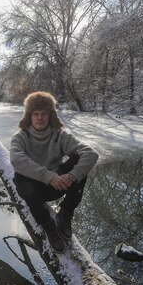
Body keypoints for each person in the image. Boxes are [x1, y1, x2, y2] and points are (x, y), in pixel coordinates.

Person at [10, 91, 98, 251]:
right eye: (35, 114)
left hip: (58, 186)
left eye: (44, 114)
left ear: (51, 115)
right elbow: (16, 160)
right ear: (29, 115)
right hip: (34, 190)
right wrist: (49, 177)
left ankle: (65, 213)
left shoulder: (60, 136)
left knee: (81, 166)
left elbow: (91, 153)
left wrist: (71, 176)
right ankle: (48, 225)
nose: (39, 118)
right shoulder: (21, 137)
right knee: (21, 178)